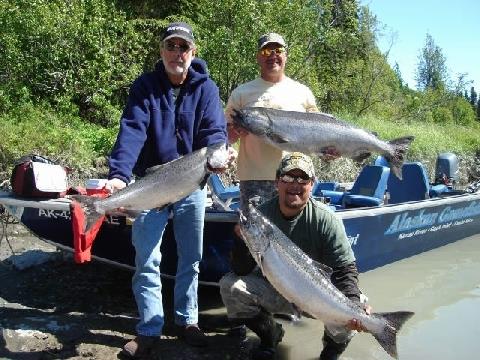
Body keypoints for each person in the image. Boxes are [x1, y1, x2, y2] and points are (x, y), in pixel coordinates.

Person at [105, 21, 230, 358]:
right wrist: (119, 175)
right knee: (147, 261)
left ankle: (187, 322)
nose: (178, 53)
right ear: (161, 51)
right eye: (171, 46)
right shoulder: (145, 86)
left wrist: (219, 154)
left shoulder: (207, 89)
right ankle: (149, 330)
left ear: (193, 52)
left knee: (191, 259)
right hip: (151, 183)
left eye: (183, 47)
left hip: (192, 185)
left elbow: (215, 133)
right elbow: (132, 129)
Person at [219, 152, 370, 360]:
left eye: (303, 179)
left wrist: (355, 305)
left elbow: (346, 271)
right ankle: (270, 337)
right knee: (231, 285)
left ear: (312, 184)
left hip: (318, 296)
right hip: (276, 289)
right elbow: (241, 270)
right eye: (288, 178)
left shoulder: (327, 219)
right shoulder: (260, 216)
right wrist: (241, 240)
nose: (295, 185)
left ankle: (329, 354)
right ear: (277, 183)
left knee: (357, 302)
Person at [224, 32, 320, 209]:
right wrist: (236, 130)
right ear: (258, 58)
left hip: (297, 176)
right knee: (255, 235)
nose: (273, 55)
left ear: (285, 55)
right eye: (267, 51)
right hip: (255, 179)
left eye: (278, 50)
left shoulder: (303, 92)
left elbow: (319, 135)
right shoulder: (241, 93)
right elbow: (227, 136)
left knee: (297, 234)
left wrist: (328, 150)